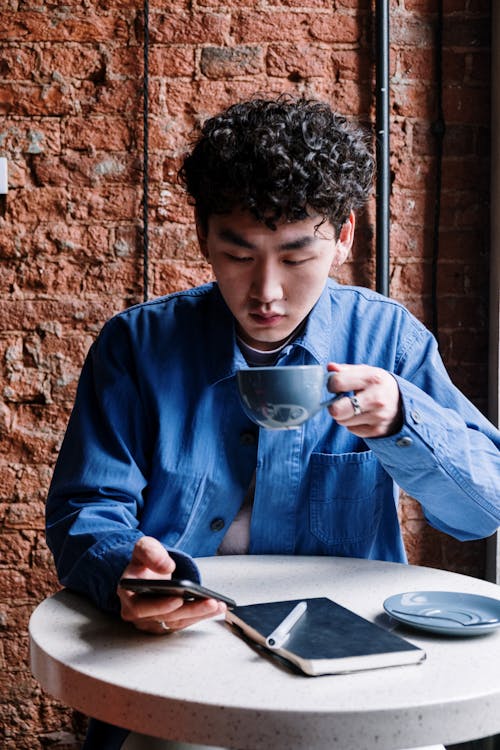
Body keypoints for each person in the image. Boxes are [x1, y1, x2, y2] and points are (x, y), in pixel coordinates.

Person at [45, 96, 500, 749]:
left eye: (294, 256)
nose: (266, 292)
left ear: (343, 237)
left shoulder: (387, 338)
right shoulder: (137, 346)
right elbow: (85, 512)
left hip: (351, 656)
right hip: (182, 649)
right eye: (238, 254)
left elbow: (480, 511)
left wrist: (406, 419)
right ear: (203, 234)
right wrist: (127, 573)